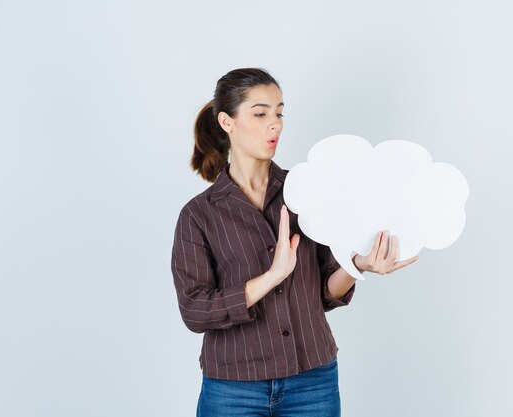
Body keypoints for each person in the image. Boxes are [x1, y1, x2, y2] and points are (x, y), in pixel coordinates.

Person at [170, 67, 419, 417]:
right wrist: (272, 276)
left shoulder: (307, 191)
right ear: (227, 122)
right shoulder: (199, 215)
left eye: (279, 112)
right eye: (260, 114)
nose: (275, 124)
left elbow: (325, 291)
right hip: (233, 389)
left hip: (312, 383)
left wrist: (357, 265)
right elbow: (195, 311)